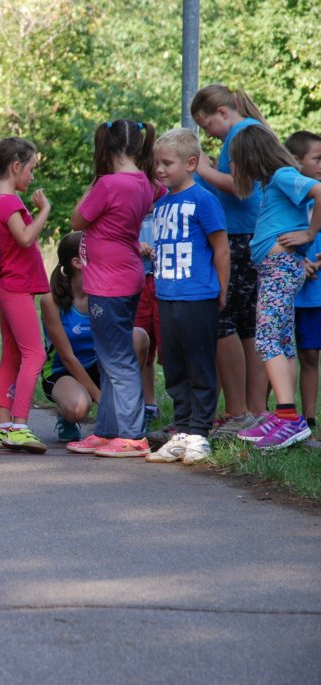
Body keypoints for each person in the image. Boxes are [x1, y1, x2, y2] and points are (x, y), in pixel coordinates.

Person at [65, 119, 162, 458]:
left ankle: (133, 435)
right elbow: (156, 197)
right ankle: (107, 430)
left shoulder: (108, 184)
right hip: (127, 276)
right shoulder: (144, 182)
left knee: (118, 360)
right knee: (108, 358)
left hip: (109, 282)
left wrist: (95, 181)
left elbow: (76, 220)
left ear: (111, 147)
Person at [227, 125, 321, 450]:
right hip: (276, 268)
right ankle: (286, 417)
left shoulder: (282, 175)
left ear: (253, 156)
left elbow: (320, 192)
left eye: (239, 160)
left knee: (266, 339)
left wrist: (309, 234)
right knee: (281, 341)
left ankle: (288, 418)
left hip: (280, 268)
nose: (237, 167)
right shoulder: (274, 182)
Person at [145, 129, 230, 465]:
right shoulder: (162, 204)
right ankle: (181, 432)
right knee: (175, 366)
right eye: (157, 163)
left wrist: (221, 290)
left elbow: (221, 249)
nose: (159, 169)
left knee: (199, 365)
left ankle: (199, 433)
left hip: (198, 297)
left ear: (191, 163)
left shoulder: (204, 200)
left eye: (167, 163)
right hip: (167, 296)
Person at [191, 84, 270, 436]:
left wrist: (203, 168)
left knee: (223, 321)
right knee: (248, 324)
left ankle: (238, 411)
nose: (208, 133)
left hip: (239, 239)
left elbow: (241, 187)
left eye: (207, 125)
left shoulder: (239, 135)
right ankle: (256, 410)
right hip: (253, 236)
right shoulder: (248, 131)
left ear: (222, 113)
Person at [0, 136, 51, 453]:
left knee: (12, 355)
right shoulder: (8, 202)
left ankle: (3, 426)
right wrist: (44, 210)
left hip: (10, 286)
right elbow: (24, 237)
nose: (32, 176)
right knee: (36, 354)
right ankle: (19, 426)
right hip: (16, 286)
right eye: (31, 169)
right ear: (16, 167)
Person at [40, 232, 150, 442]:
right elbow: (67, 357)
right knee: (78, 408)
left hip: (99, 365)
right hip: (64, 370)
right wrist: (102, 400)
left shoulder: (104, 292)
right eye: (97, 252)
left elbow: (120, 339)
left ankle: (128, 406)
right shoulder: (50, 301)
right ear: (77, 262)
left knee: (139, 337)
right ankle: (67, 416)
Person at [285, 130, 321, 432]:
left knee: (309, 354)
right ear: (296, 162)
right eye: (317, 159)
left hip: (313, 293)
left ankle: (309, 419)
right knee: (277, 352)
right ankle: (270, 414)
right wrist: (298, 263)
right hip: (284, 291)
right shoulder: (283, 197)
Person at [135, 211, 162, 425]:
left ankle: (182, 406)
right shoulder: (134, 211)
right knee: (143, 346)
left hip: (164, 282)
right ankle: (147, 403)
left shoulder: (166, 208)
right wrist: (137, 246)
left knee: (169, 347)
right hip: (140, 281)